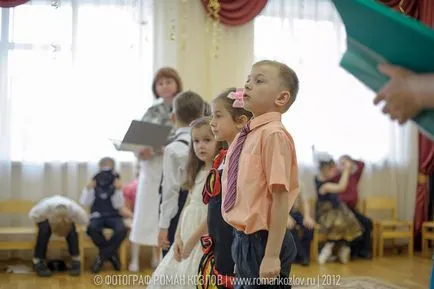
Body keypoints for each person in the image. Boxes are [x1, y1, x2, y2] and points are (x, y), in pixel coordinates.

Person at [221, 60, 299, 287]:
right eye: (248, 80)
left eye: (259, 80)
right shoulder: (249, 133)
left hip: (264, 241)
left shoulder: (273, 135)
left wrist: (272, 255)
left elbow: (280, 197)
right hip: (243, 238)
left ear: (281, 98)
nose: (248, 85)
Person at [148, 117, 221, 289]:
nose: (200, 145)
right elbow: (187, 205)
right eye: (196, 141)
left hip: (202, 235)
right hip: (186, 231)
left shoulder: (218, 173)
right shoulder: (197, 171)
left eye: (207, 140)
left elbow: (212, 213)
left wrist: (190, 243)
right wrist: (178, 236)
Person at [129, 67, 183, 271]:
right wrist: (141, 150)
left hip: (172, 167)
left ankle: (164, 257)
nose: (165, 86)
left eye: (169, 81)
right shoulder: (151, 111)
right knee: (145, 212)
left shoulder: (183, 109)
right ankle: (136, 259)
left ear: (177, 83)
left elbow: (187, 136)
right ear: (155, 88)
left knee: (167, 211)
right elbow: (139, 139)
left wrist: (160, 148)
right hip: (150, 168)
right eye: (160, 83)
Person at [198, 87, 253, 289]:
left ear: (240, 121)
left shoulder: (244, 157)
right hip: (219, 237)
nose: (212, 123)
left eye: (218, 116)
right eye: (212, 116)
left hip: (235, 238)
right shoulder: (222, 157)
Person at [158, 91, 207, 257]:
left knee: (175, 257)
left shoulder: (172, 150)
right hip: (205, 209)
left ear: (173, 117)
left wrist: (163, 226)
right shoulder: (211, 143)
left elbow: (169, 190)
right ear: (201, 114)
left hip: (179, 209)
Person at [313, 152, 364, 264]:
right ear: (324, 169)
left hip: (338, 210)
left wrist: (347, 165)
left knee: (351, 221)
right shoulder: (323, 185)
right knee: (339, 222)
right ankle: (328, 248)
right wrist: (346, 170)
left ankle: (344, 248)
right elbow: (341, 187)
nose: (335, 171)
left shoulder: (330, 178)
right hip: (326, 213)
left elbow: (359, 166)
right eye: (332, 169)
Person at [80, 157, 127, 273]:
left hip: (113, 215)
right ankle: (111, 255)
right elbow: (84, 202)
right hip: (97, 215)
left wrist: (118, 190)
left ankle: (101, 257)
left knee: (122, 229)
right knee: (91, 229)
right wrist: (88, 188)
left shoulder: (116, 181)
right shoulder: (95, 180)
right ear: (99, 168)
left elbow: (118, 205)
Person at [29, 195, 88, 277]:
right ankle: (37, 260)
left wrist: (75, 226)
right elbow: (32, 216)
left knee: (72, 230)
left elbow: (85, 222)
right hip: (46, 218)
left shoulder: (75, 210)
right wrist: (45, 222)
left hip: (67, 219)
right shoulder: (43, 208)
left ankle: (76, 259)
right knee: (44, 229)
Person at [335, 155, 372, 260]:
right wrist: (341, 166)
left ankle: (364, 251)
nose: (344, 166)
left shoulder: (354, 175)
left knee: (367, 223)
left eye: (345, 163)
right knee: (354, 225)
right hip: (342, 210)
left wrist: (349, 162)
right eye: (341, 163)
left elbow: (362, 164)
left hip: (352, 209)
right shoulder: (338, 177)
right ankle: (353, 252)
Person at [287, 182, 315, 266]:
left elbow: (305, 202)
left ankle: (301, 254)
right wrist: (286, 216)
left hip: (295, 213)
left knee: (309, 227)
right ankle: (303, 256)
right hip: (282, 213)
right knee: (291, 228)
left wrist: (307, 217)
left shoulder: (299, 183)